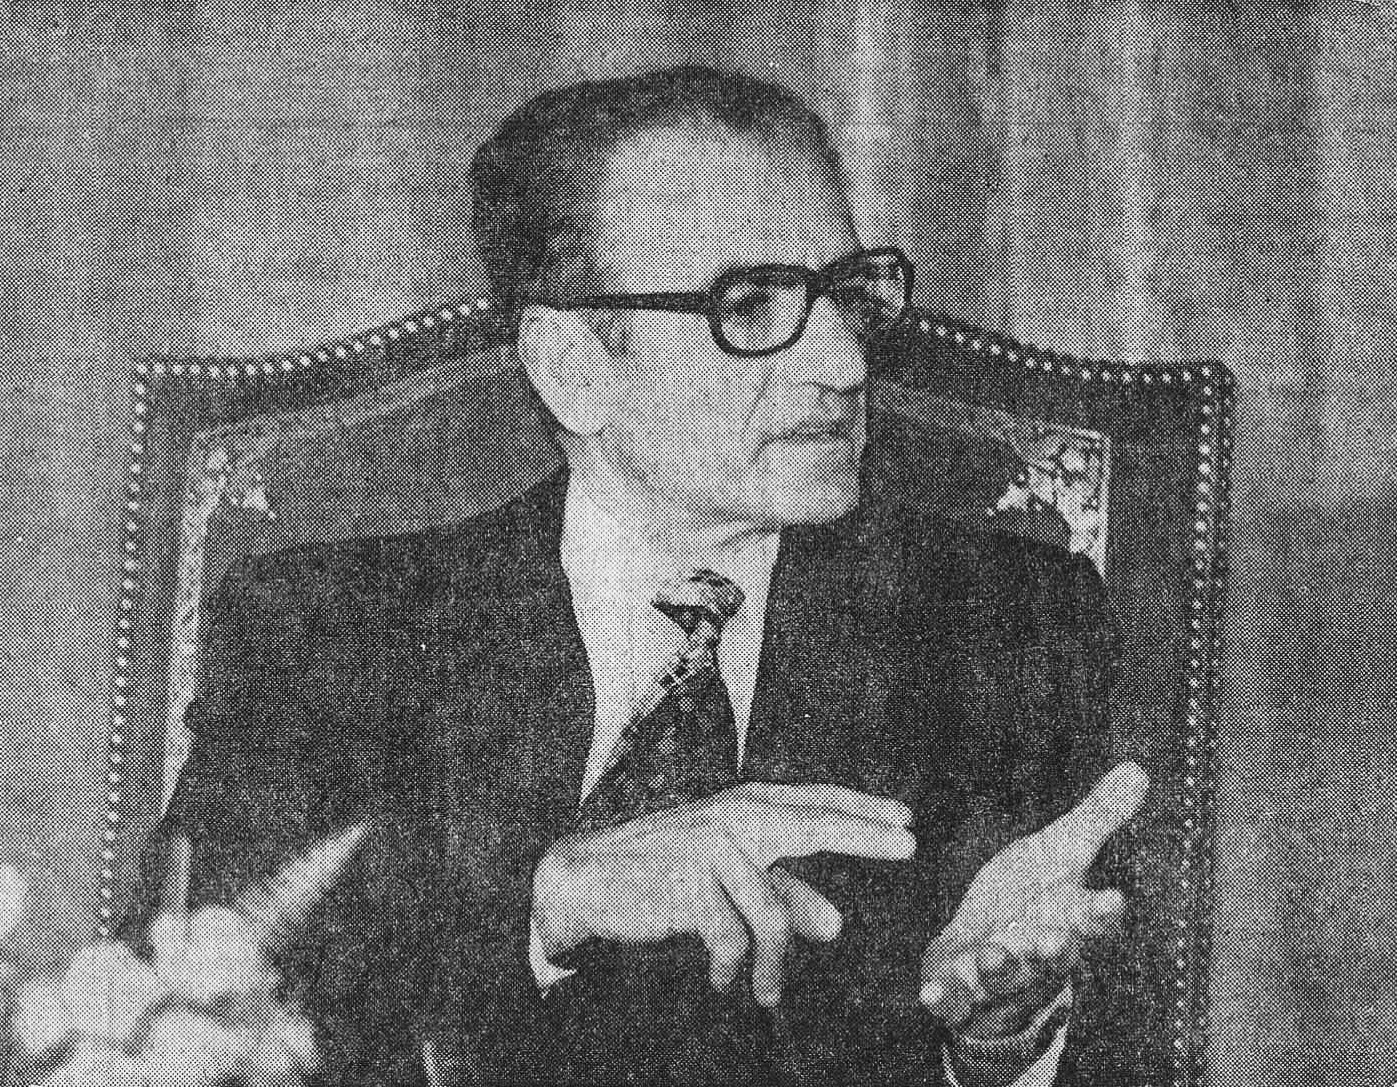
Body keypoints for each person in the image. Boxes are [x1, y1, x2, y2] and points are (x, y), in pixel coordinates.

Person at [128, 64, 1146, 1086]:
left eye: (846, 294)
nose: (843, 363)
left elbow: (1107, 1033)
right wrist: (546, 900)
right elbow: (184, 1010)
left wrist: (999, 1039)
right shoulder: (331, 630)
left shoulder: (1007, 622)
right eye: (750, 305)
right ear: (571, 365)